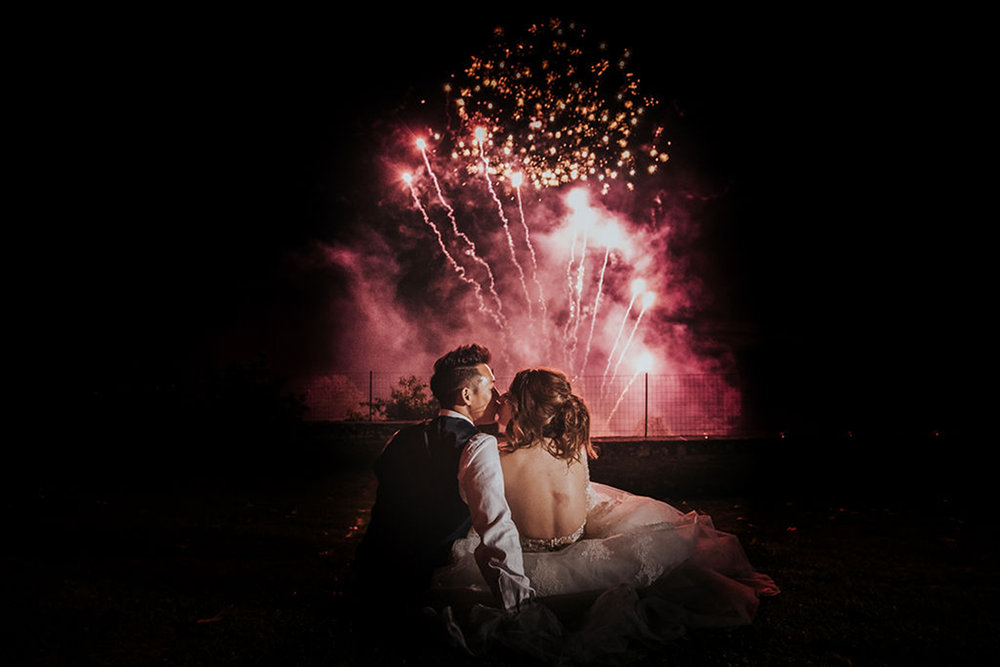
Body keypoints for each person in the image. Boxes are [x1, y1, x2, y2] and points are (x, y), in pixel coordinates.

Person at [432, 368, 779, 660]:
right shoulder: (571, 452)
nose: (500, 399)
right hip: (581, 552)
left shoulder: (498, 457)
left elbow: (475, 503)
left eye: (507, 394)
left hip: (535, 562)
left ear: (523, 406)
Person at [355, 344, 534, 612]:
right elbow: (496, 524)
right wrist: (519, 604)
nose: (498, 396)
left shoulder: (399, 438)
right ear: (466, 395)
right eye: (491, 386)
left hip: (373, 575)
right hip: (429, 582)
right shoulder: (479, 444)